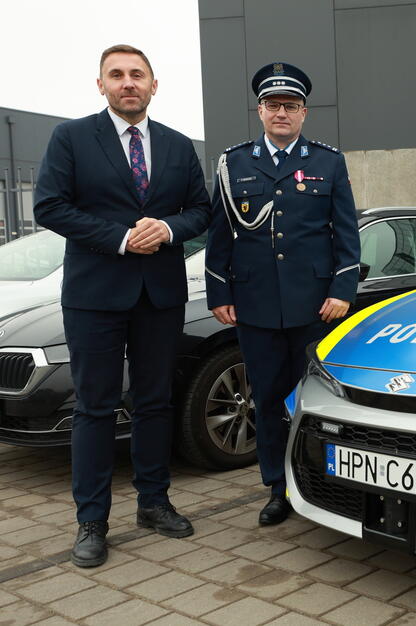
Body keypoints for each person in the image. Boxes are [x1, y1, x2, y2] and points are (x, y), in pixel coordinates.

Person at [33, 44, 211, 567]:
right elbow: (50, 205)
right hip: (95, 297)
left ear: (154, 85)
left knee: (156, 402)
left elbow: (201, 210)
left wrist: (170, 227)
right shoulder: (71, 138)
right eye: (117, 75)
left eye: (137, 74)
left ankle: (153, 503)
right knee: (95, 406)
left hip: (159, 294)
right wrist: (119, 238)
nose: (127, 82)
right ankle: (91, 521)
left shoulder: (178, 146)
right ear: (101, 85)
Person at [204, 62, 360, 526]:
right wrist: (219, 292)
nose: (281, 113)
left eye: (290, 106)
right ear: (260, 110)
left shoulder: (328, 162)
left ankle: (321, 484)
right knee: (267, 402)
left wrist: (342, 289)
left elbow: (345, 235)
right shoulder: (233, 163)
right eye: (273, 105)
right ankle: (278, 488)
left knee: (312, 403)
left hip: (314, 306)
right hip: (254, 307)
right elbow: (220, 233)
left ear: (304, 113)